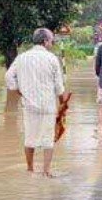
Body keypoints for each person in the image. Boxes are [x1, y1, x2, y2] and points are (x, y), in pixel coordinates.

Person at [5, 28, 67, 177]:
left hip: (29, 105)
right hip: (47, 105)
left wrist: (19, 91)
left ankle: (30, 169)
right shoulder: (52, 58)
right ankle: (46, 171)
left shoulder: (22, 58)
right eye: (51, 40)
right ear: (45, 41)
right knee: (47, 140)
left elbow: (8, 76)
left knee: (29, 138)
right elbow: (59, 87)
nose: (52, 43)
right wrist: (62, 104)